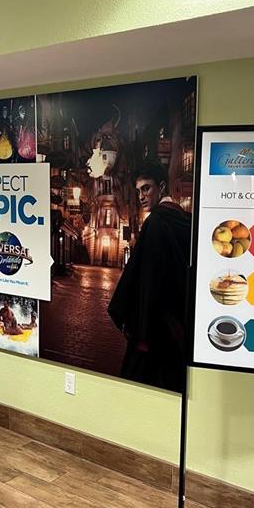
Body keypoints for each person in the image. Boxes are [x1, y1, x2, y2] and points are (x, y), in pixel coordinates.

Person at [108, 160, 191, 393]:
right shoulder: (186, 221)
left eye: (146, 188)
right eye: (138, 191)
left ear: (161, 187)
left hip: (156, 326)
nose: (141, 197)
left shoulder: (155, 222)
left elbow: (146, 278)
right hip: (180, 323)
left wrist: (138, 325)